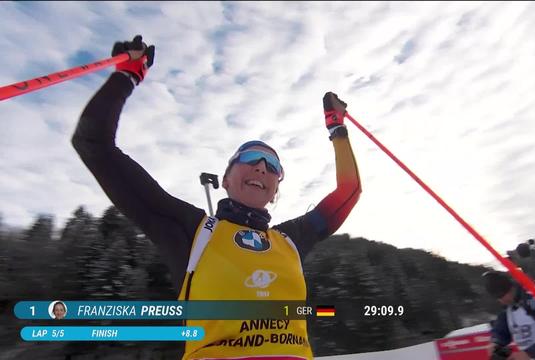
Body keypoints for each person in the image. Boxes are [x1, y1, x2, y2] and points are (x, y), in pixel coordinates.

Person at [72, 35, 361, 360]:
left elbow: (348, 192)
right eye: (251, 157)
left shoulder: (291, 240)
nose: (263, 168)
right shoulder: (191, 231)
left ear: (276, 188)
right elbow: (93, 143)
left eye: (274, 166)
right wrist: (126, 76)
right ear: (226, 178)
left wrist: (337, 129)